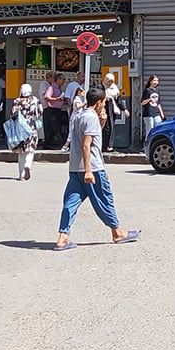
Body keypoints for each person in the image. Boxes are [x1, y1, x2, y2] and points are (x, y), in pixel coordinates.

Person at [54, 87, 140, 252]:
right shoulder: (90, 117)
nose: (104, 105)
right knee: (105, 199)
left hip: (75, 168)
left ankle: (62, 237)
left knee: (70, 202)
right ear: (99, 102)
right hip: (91, 168)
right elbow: (87, 145)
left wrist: (102, 122)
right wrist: (88, 171)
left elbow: (88, 139)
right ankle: (117, 232)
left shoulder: (79, 115)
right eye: (104, 102)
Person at [10, 84, 40, 181]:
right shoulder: (35, 100)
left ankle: (21, 175)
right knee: (30, 150)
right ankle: (28, 166)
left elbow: (13, 114)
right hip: (31, 128)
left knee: (21, 152)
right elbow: (40, 112)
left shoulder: (17, 101)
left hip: (20, 129)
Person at [102, 73, 129, 152]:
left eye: (111, 81)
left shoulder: (115, 89)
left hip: (112, 111)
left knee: (111, 127)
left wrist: (125, 109)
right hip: (103, 110)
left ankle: (109, 145)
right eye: (108, 81)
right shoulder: (101, 87)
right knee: (105, 128)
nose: (110, 83)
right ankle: (103, 145)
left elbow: (119, 101)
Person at [43, 73, 67, 149]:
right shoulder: (51, 88)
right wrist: (57, 99)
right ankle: (62, 144)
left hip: (57, 110)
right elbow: (47, 97)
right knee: (55, 128)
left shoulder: (59, 88)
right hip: (51, 110)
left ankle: (47, 144)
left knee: (53, 129)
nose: (63, 81)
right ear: (58, 79)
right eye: (62, 79)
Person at [141, 75, 166, 144]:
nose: (156, 82)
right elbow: (142, 103)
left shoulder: (157, 91)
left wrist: (162, 114)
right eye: (154, 80)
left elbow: (158, 104)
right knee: (150, 130)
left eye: (157, 81)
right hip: (148, 114)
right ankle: (147, 144)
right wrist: (149, 99)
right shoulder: (147, 91)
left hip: (156, 113)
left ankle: (155, 143)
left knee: (158, 129)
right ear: (150, 81)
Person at [61, 86, 87, 153]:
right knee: (72, 132)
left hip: (78, 117)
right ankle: (65, 146)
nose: (84, 94)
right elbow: (77, 107)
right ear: (79, 92)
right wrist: (84, 103)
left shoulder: (79, 99)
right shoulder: (77, 99)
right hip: (75, 117)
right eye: (83, 93)